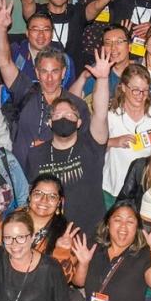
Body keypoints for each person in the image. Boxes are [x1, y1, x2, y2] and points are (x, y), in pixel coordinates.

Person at [0, 0, 89, 169]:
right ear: (36, 72)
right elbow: (4, 61)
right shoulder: (25, 90)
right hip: (23, 171)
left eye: (55, 71)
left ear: (64, 72)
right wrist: (1, 28)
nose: (49, 78)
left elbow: (88, 141)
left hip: (60, 172)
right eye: (44, 71)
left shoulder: (76, 105)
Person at [24, 94, 107, 239]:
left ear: (79, 122)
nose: (64, 118)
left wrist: (102, 78)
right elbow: (31, 196)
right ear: (49, 122)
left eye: (70, 114)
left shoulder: (91, 146)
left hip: (91, 235)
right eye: (58, 114)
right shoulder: (35, 154)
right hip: (50, 236)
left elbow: (100, 114)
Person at [91, 62, 151, 207]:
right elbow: (91, 144)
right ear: (124, 87)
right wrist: (114, 142)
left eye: (145, 90)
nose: (141, 96)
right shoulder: (110, 115)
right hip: (113, 187)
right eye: (136, 90)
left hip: (146, 190)